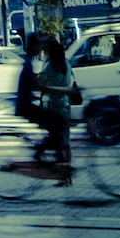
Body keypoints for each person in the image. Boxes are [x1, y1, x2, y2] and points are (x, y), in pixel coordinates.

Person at [36, 36, 74, 164]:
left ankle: (61, 173)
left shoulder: (49, 67)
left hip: (53, 105)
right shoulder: (67, 63)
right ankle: (66, 172)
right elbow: (70, 80)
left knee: (56, 139)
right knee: (65, 140)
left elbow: (39, 82)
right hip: (65, 105)